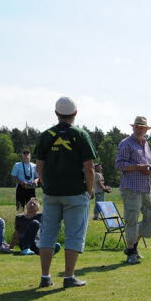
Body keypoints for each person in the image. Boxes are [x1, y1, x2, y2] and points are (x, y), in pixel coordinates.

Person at [34, 96, 97, 288]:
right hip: (76, 192)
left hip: (52, 193)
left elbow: (39, 167)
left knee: (47, 235)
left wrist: (46, 186)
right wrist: (89, 190)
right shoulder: (81, 134)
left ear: (56, 113)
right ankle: (69, 277)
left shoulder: (46, 135)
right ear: (75, 113)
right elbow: (89, 167)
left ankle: (45, 277)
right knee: (74, 235)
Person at [115, 115, 151, 264]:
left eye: (143, 127)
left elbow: (148, 164)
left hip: (145, 187)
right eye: (137, 127)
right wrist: (139, 167)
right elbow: (120, 164)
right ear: (133, 127)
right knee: (131, 220)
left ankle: (132, 246)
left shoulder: (146, 144)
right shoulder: (126, 143)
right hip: (131, 187)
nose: (140, 129)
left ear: (146, 129)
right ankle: (131, 253)